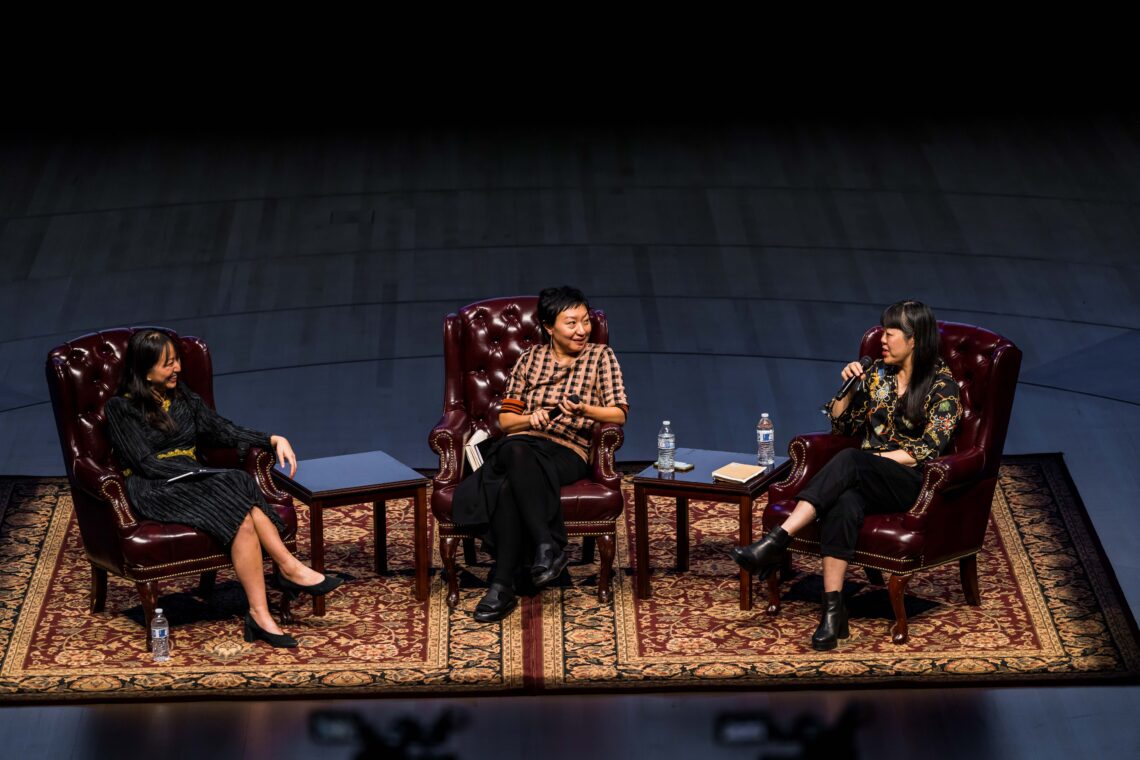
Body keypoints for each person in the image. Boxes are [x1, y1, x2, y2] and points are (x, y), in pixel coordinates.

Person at [732, 300, 961, 650]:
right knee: (844, 502)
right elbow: (841, 424)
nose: (881, 340)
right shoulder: (877, 375)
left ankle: (778, 540)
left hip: (911, 482)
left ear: (914, 340)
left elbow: (927, 451)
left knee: (852, 459)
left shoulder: (942, 388)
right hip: (865, 476)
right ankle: (833, 614)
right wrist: (850, 388)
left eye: (890, 333)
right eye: (882, 332)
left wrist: (875, 459)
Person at [104, 330, 342, 648]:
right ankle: (288, 568)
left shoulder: (183, 396)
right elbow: (146, 463)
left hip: (193, 478)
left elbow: (221, 428)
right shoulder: (121, 408)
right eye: (168, 364)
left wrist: (271, 438)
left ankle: (260, 613)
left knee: (241, 507)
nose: (177, 369)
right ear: (145, 370)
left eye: (177, 361)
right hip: (154, 487)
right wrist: (201, 474)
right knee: (232, 480)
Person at [453, 286, 629, 622]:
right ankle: (545, 547)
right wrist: (529, 418)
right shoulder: (529, 360)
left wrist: (585, 408)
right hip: (524, 444)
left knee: (505, 476)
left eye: (585, 321)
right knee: (515, 451)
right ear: (549, 327)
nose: (582, 330)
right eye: (571, 323)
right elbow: (506, 420)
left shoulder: (601, 357)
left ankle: (503, 584)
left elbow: (619, 413)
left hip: (567, 450)